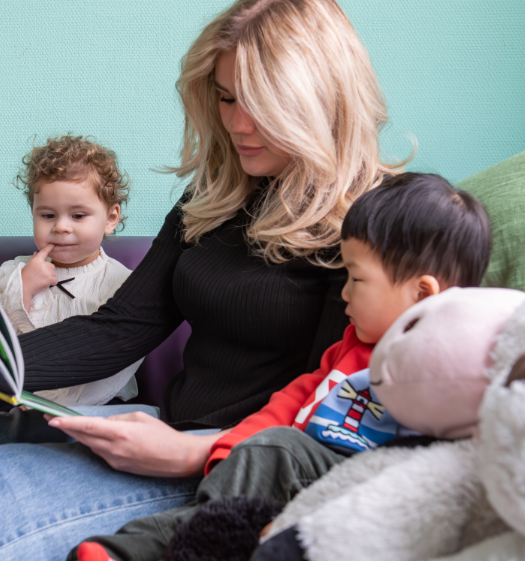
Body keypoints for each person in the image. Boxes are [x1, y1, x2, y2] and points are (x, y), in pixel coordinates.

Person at [0, 0, 406, 560]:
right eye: (225, 98)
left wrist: (195, 452)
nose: (238, 123)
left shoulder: (375, 227)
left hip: (226, 465)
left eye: (260, 103)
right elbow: (120, 327)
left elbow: (330, 413)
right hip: (162, 426)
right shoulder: (216, 195)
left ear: (320, 100)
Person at [66, 172, 492, 561]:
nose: (344, 295)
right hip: (298, 468)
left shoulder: (461, 362)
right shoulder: (351, 344)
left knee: (275, 453)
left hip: (371, 480)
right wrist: (233, 446)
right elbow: (294, 401)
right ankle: (122, 551)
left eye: (357, 280)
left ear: (422, 293)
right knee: (255, 461)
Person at [0, 134, 143, 416]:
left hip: (91, 403)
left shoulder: (124, 285)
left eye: (78, 216)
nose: (61, 227)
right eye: (47, 215)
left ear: (110, 218)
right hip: (9, 397)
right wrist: (21, 290)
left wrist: (52, 408)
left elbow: (116, 359)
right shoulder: (10, 273)